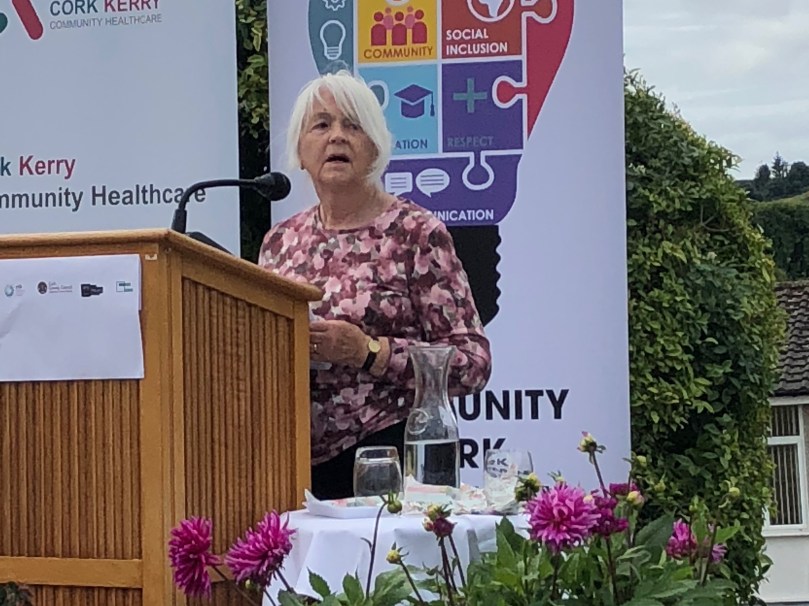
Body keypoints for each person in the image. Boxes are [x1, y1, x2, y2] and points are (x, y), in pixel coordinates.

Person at [258, 70, 491, 500]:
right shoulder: (280, 241)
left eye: (353, 125)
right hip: (290, 463)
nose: (337, 136)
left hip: (391, 458)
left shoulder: (415, 232)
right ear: (300, 150)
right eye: (322, 124)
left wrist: (368, 351)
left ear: (377, 147)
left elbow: (472, 363)